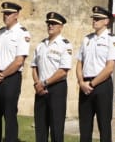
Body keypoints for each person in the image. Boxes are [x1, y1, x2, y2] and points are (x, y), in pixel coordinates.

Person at [0, 1, 31, 142]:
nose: (5, 16)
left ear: (16, 15)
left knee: (9, 116)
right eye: (4, 13)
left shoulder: (22, 33)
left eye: (9, 13)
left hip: (10, 79)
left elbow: (19, 60)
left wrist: (2, 75)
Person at [77, 5, 115, 142]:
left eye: (98, 18)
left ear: (106, 21)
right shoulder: (87, 39)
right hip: (85, 84)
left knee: (104, 125)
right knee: (84, 125)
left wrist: (92, 83)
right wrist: (81, 82)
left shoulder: (111, 40)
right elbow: (79, 63)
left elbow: (109, 68)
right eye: (94, 18)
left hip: (102, 85)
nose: (94, 21)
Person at [32, 12, 73, 142]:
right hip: (40, 89)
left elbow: (63, 71)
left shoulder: (65, 45)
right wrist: (37, 84)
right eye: (49, 23)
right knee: (40, 128)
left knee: (56, 128)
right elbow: (34, 67)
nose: (50, 25)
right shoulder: (41, 45)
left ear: (61, 27)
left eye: (54, 23)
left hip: (57, 89)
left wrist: (44, 83)